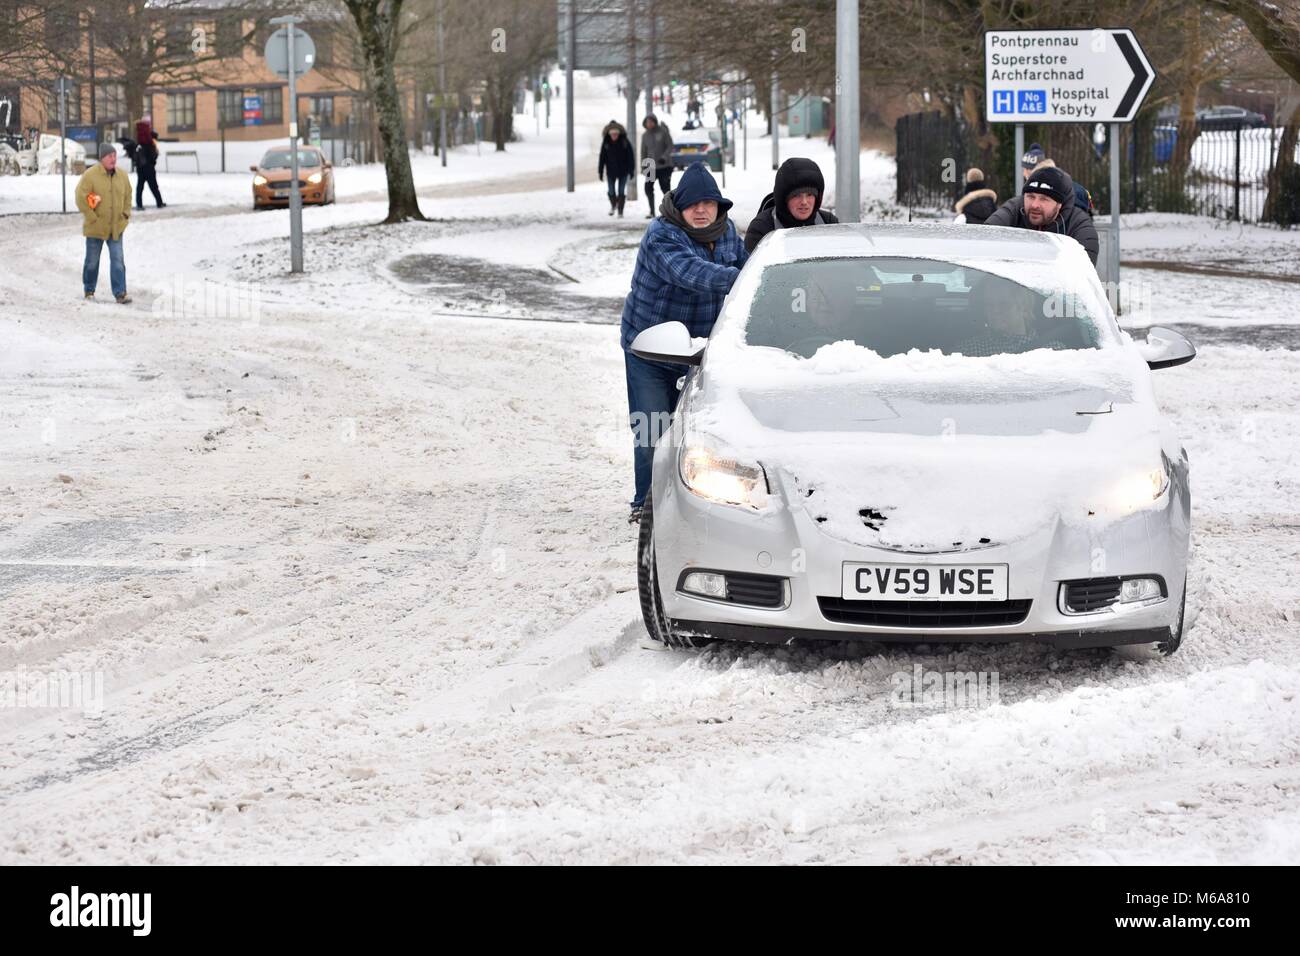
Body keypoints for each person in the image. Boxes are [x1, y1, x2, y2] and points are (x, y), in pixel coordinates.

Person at [620, 161, 748, 522]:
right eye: (694, 204)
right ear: (680, 207)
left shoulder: (726, 234)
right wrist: (747, 276)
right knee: (653, 431)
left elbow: (746, 262)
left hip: (699, 353)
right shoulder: (662, 234)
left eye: (709, 203)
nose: (702, 210)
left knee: (699, 437)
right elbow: (690, 273)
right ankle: (645, 507)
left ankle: (693, 504)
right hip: (649, 351)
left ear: (719, 207)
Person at [985, 165, 1099, 265]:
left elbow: (1081, 272)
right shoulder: (1015, 208)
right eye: (1030, 196)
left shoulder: (1079, 223)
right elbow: (984, 239)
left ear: (1059, 204)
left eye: (1044, 199)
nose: (1035, 205)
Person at [75, 142, 133, 303]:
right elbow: (80, 196)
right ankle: (89, 291)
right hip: (96, 227)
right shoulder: (90, 175)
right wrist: (91, 216)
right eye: (110, 156)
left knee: (118, 260)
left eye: (114, 155)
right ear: (102, 158)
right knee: (92, 261)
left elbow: (128, 195)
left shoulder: (122, 175)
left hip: (116, 227)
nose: (113, 159)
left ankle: (120, 293)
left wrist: (126, 213)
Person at [743, 157, 839, 252]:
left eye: (809, 195)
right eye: (797, 195)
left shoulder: (829, 223)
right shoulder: (762, 228)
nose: (804, 202)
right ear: (784, 198)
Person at [597, 120, 634, 217]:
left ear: (618, 134)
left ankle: (620, 211)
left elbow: (630, 156)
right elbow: (602, 158)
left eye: (616, 134)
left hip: (623, 171)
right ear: (609, 134)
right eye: (612, 134)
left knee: (621, 191)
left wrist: (631, 170)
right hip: (611, 172)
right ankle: (613, 205)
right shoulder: (606, 143)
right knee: (611, 191)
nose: (614, 136)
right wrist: (600, 172)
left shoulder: (625, 142)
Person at [640, 113, 674, 219]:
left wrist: (664, 157)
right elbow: (643, 151)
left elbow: (670, 146)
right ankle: (652, 211)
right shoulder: (645, 136)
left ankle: (669, 211)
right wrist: (643, 165)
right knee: (648, 188)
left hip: (664, 166)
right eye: (647, 122)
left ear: (655, 121)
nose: (649, 124)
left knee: (665, 189)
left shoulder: (663, 132)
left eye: (651, 122)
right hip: (650, 166)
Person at [132, 122, 165, 210]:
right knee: (154, 186)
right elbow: (153, 156)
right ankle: (159, 202)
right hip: (149, 168)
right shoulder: (149, 141)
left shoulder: (138, 141)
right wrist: (155, 154)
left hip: (140, 168)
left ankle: (139, 205)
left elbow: (136, 156)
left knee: (140, 187)